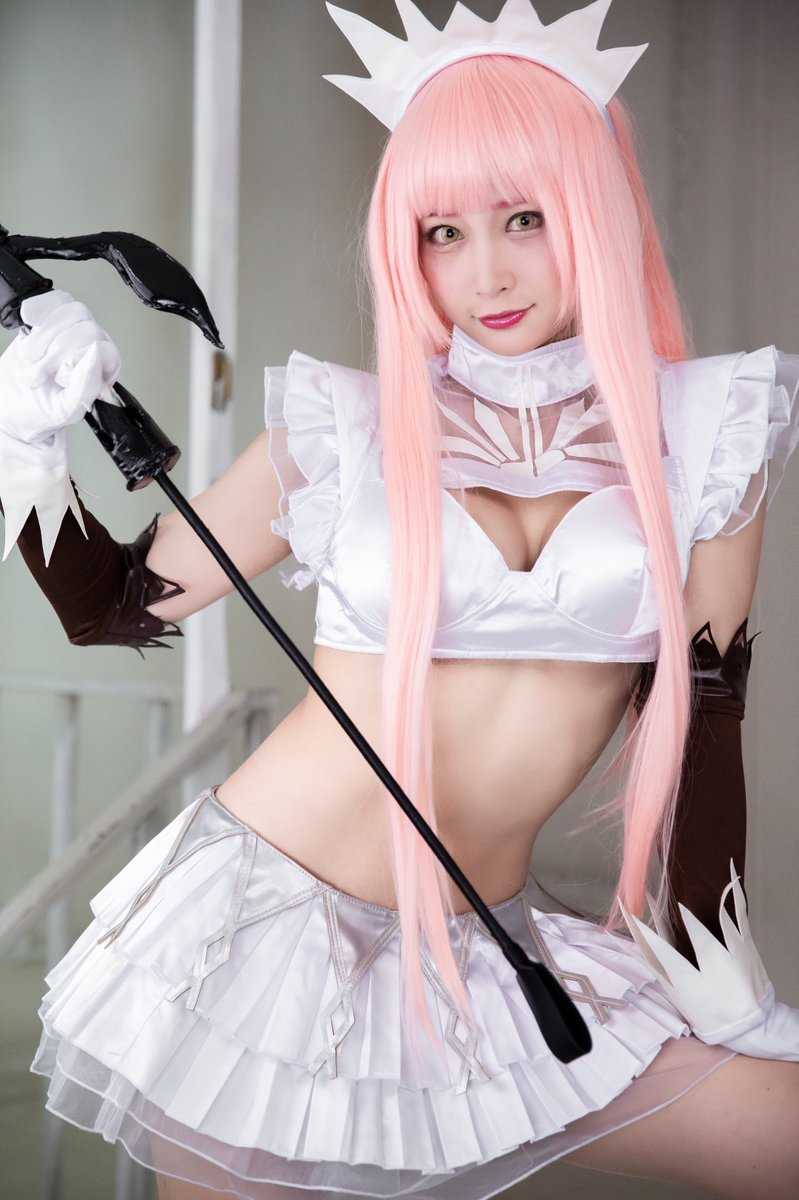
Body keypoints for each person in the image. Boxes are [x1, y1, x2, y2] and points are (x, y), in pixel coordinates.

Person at [1, 1, 798, 1198]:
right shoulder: (345, 428)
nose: (486, 273)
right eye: (442, 232)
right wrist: (29, 440)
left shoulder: (709, 430)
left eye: (525, 218)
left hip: (485, 943)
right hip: (258, 940)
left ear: (594, 210)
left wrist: (719, 984)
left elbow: (701, 721)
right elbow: (111, 604)